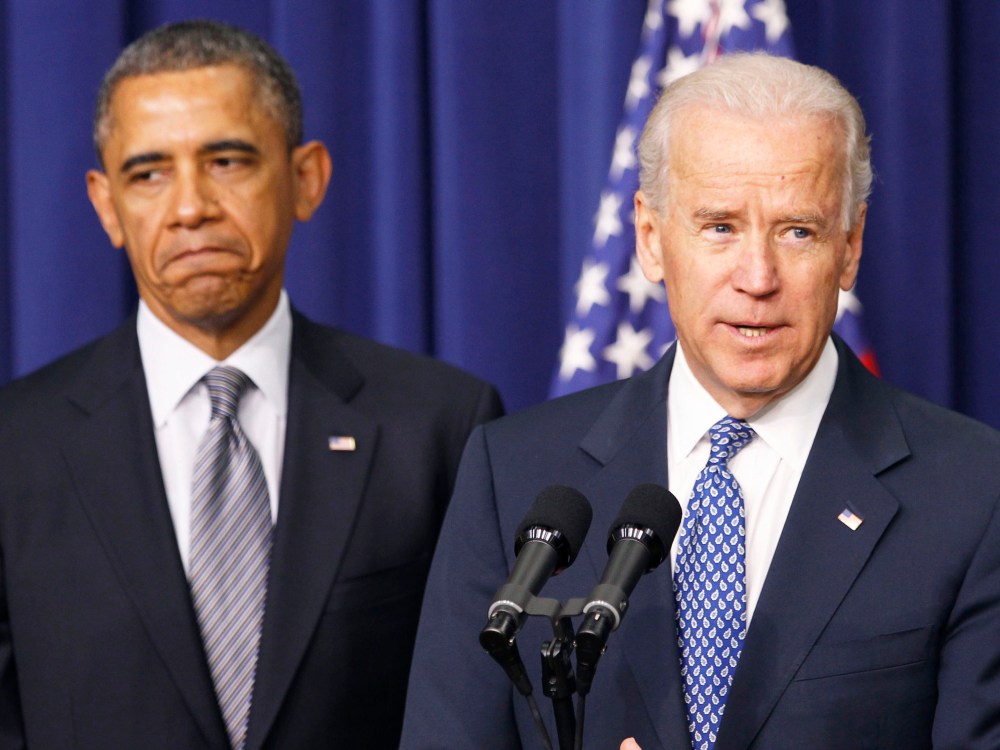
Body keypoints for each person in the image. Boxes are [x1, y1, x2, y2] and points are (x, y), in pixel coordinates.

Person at [400, 53, 1000, 750]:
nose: (757, 276)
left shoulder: (974, 493)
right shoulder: (514, 474)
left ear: (851, 245)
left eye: (797, 230)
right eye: (719, 226)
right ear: (651, 240)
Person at [0, 19, 502, 750]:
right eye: (148, 174)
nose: (191, 206)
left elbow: (473, 713)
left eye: (228, 161)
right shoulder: (16, 447)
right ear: (107, 205)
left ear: (307, 179)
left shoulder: (442, 426)